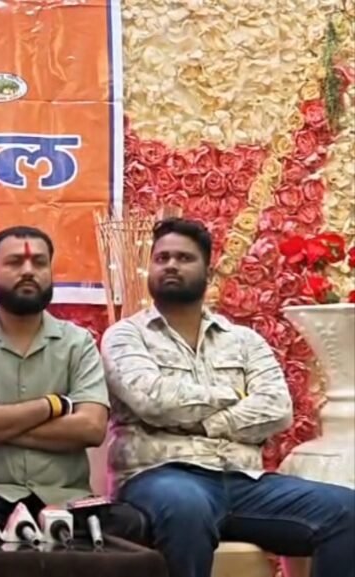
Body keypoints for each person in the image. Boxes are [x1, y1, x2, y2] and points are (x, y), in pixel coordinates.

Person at [101, 218, 355, 577]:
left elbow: (277, 408)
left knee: (347, 510)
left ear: (208, 271)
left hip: (244, 481)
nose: (171, 265)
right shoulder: (125, 336)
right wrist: (235, 395)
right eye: (162, 258)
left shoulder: (243, 340)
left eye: (184, 258)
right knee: (185, 507)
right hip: (160, 476)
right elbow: (151, 398)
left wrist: (207, 423)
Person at [0, 227, 108, 523]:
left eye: (39, 263)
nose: (29, 270)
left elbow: (91, 428)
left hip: (65, 496)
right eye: (15, 262)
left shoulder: (79, 342)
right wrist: (52, 406)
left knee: (127, 525)